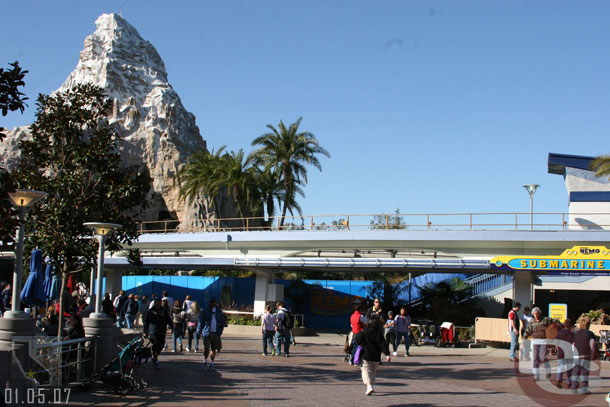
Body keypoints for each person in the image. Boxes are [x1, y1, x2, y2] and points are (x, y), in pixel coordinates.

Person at [355, 315, 391, 396]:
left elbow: (357, 341)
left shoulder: (364, 332)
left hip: (366, 356)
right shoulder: (379, 334)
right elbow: (383, 345)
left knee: (366, 371)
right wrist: (387, 354)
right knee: (373, 372)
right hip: (376, 357)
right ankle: (371, 385)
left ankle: (369, 386)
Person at [524, 306, 551, 381]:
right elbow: (527, 331)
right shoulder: (532, 322)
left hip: (543, 341)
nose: (536, 315)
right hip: (535, 341)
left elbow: (555, 321)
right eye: (534, 314)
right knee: (535, 359)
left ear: (539, 313)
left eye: (537, 314)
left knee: (543, 358)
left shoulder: (545, 320)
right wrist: (524, 340)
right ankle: (536, 376)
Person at [197, 298, 226, 370]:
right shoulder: (205, 311)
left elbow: (222, 321)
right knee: (206, 348)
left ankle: (211, 362)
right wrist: (198, 331)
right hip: (207, 332)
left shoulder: (219, 311)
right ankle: (205, 360)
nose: (212, 304)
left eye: (213, 302)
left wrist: (220, 331)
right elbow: (201, 321)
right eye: (211, 302)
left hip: (215, 333)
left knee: (214, 348)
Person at [144, 297, 171, 369]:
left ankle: (155, 355)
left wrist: (171, 327)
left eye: (158, 302)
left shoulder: (164, 310)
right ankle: (155, 360)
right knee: (155, 345)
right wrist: (145, 331)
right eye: (156, 302)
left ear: (160, 302)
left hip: (162, 330)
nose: (157, 303)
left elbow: (168, 319)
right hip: (153, 331)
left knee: (161, 345)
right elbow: (147, 321)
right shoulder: (151, 311)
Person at [571, 317, 596, 394]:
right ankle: (583, 388)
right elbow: (592, 345)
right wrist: (591, 356)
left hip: (576, 356)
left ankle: (574, 387)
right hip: (585, 355)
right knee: (585, 372)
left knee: (576, 372)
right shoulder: (590, 334)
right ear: (588, 325)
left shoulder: (575, 333)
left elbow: (573, 345)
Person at [554, 318, 574, 389]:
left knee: (560, 366)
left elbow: (556, 342)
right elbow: (573, 343)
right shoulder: (571, 334)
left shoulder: (560, 333)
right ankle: (569, 382)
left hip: (561, 352)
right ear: (570, 325)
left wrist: (557, 349)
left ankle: (558, 380)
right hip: (568, 352)